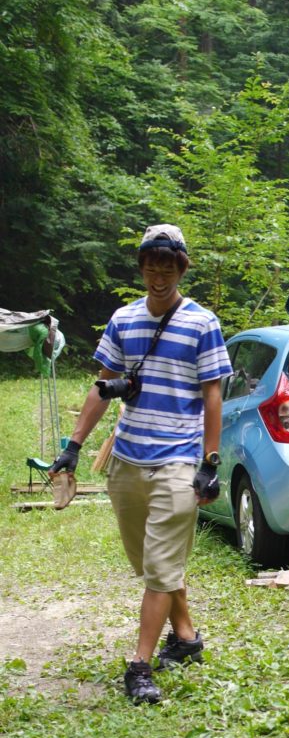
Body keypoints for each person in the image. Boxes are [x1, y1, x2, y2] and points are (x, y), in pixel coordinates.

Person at [50, 224, 233, 704]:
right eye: (152, 263)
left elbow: (213, 395)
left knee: (159, 568)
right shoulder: (124, 319)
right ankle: (188, 637)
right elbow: (101, 384)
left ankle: (140, 666)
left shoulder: (202, 322)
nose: (159, 272)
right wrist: (72, 445)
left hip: (177, 459)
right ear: (142, 266)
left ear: (181, 267)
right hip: (127, 460)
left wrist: (210, 461)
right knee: (153, 565)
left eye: (168, 264)